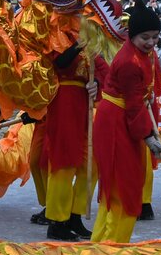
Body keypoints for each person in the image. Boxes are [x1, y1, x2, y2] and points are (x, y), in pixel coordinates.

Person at [92, 5, 161, 243]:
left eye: (155, 37)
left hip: (124, 116)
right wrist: (149, 138)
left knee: (127, 183)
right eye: (145, 37)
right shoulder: (129, 62)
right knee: (121, 186)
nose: (151, 42)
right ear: (132, 35)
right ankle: (108, 249)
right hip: (116, 121)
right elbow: (134, 105)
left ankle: (110, 244)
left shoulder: (145, 55)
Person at [35, 41, 109, 241]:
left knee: (91, 165)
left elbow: (104, 70)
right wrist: (77, 44)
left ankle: (75, 216)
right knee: (63, 162)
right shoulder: (56, 33)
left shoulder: (91, 44)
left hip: (83, 103)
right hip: (63, 101)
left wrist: (97, 84)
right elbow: (57, 62)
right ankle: (57, 221)